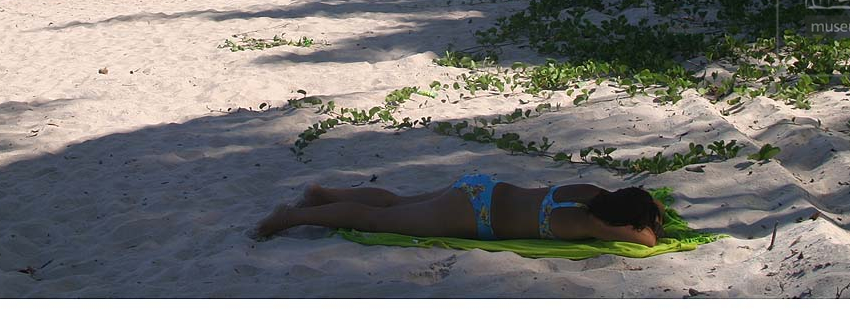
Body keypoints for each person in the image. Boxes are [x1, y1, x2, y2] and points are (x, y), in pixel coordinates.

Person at [255, 178, 663, 246]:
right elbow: (646, 239)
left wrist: (647, 206)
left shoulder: (590, 193)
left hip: (482, 187)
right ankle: (292, 217)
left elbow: (649, 201)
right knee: (378, 221)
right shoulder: (593, 223)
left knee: (397, 202)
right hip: (474, 216)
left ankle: (321, 193)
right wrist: (648, 223)